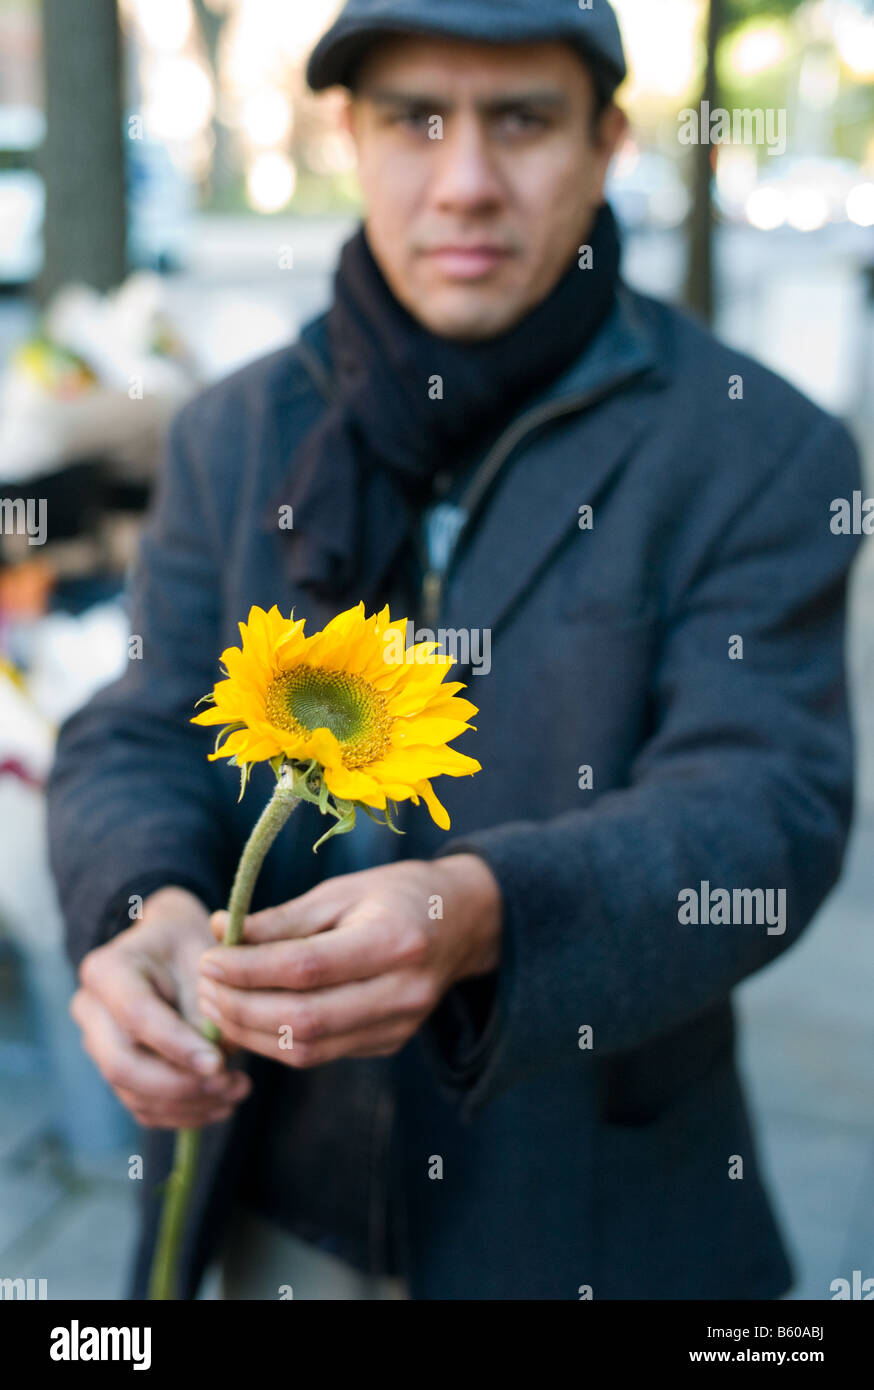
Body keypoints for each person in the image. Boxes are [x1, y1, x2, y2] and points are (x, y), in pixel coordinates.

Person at [47, 0, 863, 1300]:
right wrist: (141, 902)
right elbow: (140, 721)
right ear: (350, 138)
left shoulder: (758, 452)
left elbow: (763, 804)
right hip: (265, 1189)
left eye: (522, 121)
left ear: (605, 142)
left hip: (586, 1215)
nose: (465, 181)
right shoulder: (233, 432)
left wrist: (489, 913)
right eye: (414, 120)